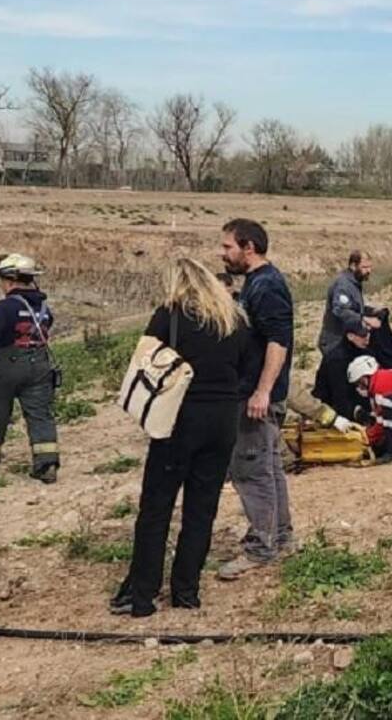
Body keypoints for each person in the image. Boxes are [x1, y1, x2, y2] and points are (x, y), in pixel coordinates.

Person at [110, 258, 248, 617]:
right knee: (201, 510)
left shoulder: (170, 314)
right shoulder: (233, 319)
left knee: (156, 508)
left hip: (179, 418)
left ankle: (142, 596)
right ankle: (187, 592)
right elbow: (247, 367)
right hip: (223, 421)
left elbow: (145, 358)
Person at [218, 218, 295, 580]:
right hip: (257, 392)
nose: (223, 253)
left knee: (251, 471)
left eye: (227, 247)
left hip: (257, 396)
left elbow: (278, 342)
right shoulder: (255, 284)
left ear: (248, 247)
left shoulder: (267, 287)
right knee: (270, 467)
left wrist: (262, 391)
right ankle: (280, 537)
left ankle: (261, 547)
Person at [0, 253, 59, 483]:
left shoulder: (4, 308)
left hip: (6, 367)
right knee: (40, 414)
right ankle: (46, 464)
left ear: (9, 281)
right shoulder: (44, 308)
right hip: (40, 365)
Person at [318, 250, 382, 357]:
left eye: (370, 267)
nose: (369, 271)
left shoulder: (354, 283)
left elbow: (353, 307)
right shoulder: (343, 285)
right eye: (364, 267)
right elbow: (341, 310)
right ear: (353, 266)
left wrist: (371, 311)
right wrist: (365, 319)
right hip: (335, 343)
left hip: (347, 340)